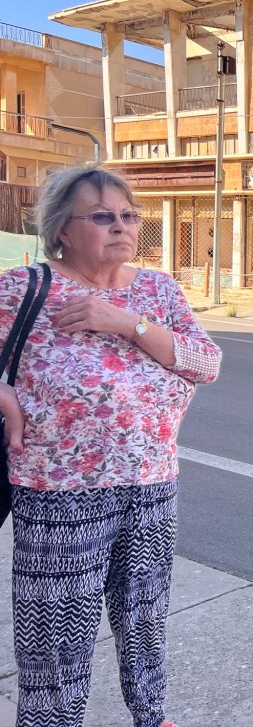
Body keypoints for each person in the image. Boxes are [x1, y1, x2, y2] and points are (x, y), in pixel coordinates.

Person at [0, 166, 221, 726]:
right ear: (62, 229)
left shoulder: (157, 290)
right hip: (58, 493)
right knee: (55, 638)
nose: (121, 226)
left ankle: (151, 715)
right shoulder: (23, 288)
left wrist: (126, 323)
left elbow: (205, 363)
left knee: (145, 618)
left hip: (151, 484)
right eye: (102, 216)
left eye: (128, 215)